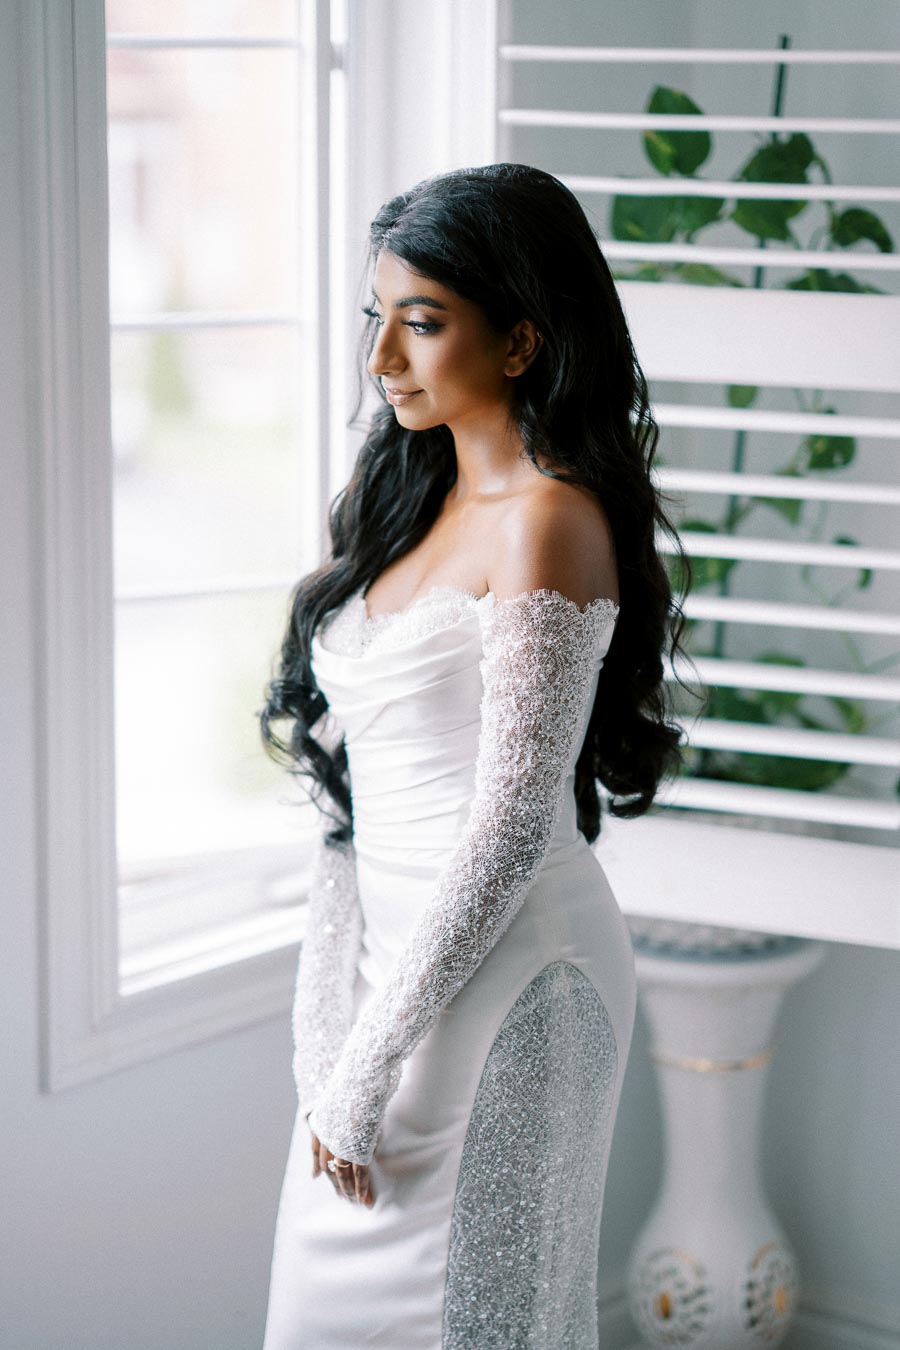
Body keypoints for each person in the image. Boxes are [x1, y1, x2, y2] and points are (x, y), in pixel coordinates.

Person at [258, 162, 689, 1349]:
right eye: (376, 317)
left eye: (425, 321)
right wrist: (325, 1040)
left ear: (519, 343)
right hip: (386, 979)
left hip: (519, 976)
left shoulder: (552, 519)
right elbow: (349, 805)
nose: (383, 356)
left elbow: (504, 831)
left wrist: (363, 1071)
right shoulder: (399, 501)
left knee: (484, 1321)